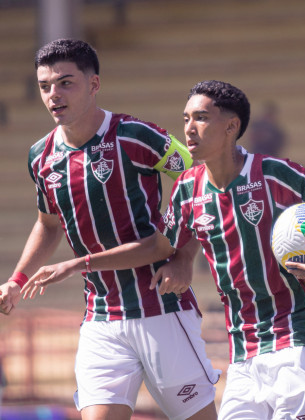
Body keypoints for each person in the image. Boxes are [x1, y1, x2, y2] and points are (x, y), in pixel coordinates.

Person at [21, 80, 305, 419]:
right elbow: (160, 247)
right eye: (186, 118)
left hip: (297, 340)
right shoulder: (187, 189)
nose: (189, 128)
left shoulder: (275, 173)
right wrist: (80, 264)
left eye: (201, 118)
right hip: (243, 354)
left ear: (231, 126)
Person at [0, 39, 220, 420]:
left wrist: (184, 256)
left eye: (66, 83)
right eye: (45, 86)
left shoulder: (136, 136)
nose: (54, 94)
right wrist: (17, 280)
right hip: (101, 317)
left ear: (94, 84)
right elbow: (47, 223)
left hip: (161, 308)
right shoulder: (41, 156)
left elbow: (203, 182)